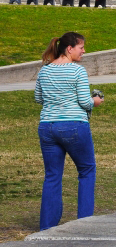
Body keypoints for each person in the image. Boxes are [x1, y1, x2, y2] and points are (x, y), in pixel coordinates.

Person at [35, 32, 104, 231]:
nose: (84, 51)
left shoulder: (44, 71)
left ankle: (47, 228)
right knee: (86, 170)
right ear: (69, 49)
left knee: (52, 175)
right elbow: (84, 101)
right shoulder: (77, 71)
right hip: (74, 125)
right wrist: (95, 102)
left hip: (47, 126)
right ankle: (83, 225)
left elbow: (39, 98)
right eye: (81, 47)